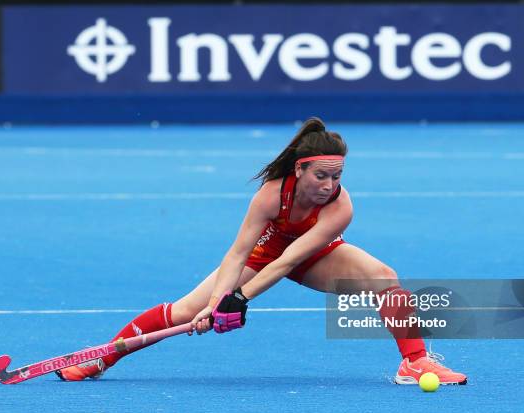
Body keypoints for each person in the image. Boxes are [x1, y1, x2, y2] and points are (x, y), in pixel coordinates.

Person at [57, 117, 467, 385]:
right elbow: (237, 254)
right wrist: (217, 302)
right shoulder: (271, 195)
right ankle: (101, 358)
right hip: (261, 256)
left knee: (384, 277)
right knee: (184, 311)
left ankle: (414, 362)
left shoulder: (340, 207)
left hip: (311, 256)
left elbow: (292, 260)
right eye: (321, 175)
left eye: (336, 176)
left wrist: (238, 301)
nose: (328, 185)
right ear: (300, 169)